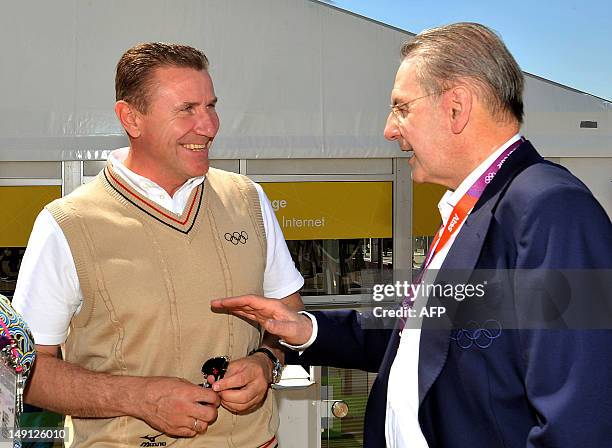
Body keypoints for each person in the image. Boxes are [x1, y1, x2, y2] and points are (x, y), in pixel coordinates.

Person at [212, 23, 612, 447]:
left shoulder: (551, 207)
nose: (389, 129)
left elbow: (580, 418)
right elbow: (422, 339)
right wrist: (305, 329)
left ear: (457, 107)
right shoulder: (474, 208)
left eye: (401, 107)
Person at [13, 42, 304, 447]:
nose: (208, 126)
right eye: (187, 109)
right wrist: (139, 398)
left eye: (211, 106)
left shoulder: (247, 198)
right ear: (131, 117)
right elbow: (25, 372)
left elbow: (289, 314)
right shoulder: (67, 223)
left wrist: (266, 360)